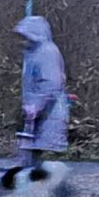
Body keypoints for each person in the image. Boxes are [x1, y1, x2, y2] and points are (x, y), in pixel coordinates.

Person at [12, 14, 69, 166]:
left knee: (34, 153)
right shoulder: (33, 52)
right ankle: (31, 183)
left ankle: (47, 186)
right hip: (37, 112)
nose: (23, 39)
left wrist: (36, 105)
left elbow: (51, 82)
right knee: (29, 153)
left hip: (45, 112)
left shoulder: (46, 52)